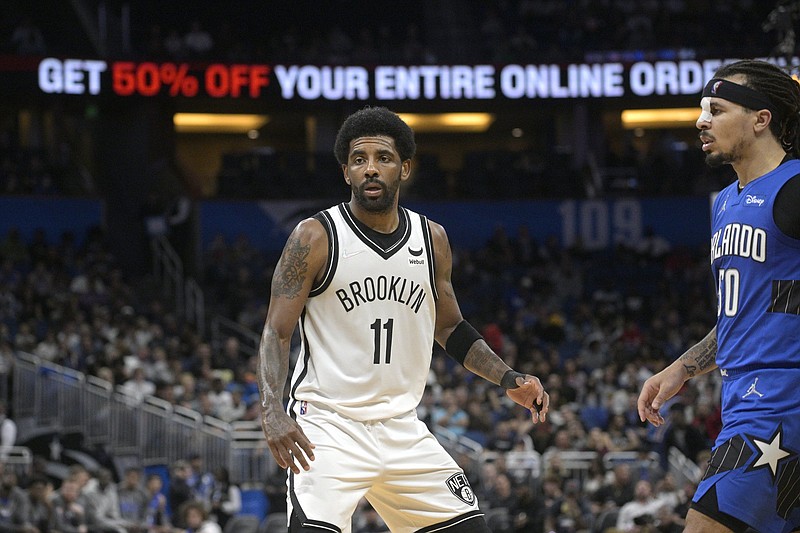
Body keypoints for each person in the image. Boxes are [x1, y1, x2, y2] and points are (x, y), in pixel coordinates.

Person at [257, 106, 550, 533]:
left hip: (402, 429)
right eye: (359, 160)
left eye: (383, 158)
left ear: (405, 167)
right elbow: (276, 331)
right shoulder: (315, 237)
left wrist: (509, 379)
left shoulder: (432, 239)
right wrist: (272, 410)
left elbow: (449, 328)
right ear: (346, 172)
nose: (370, 169)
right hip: (327, 428)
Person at [637, 59, 800, 533]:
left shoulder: (793, 188)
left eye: (716, 109)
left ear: (760, 119)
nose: (700, 120)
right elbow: (742, 312)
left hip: (778, 404)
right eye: (701, 109)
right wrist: (682, 367)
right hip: (744, 398)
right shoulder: (726, 202)